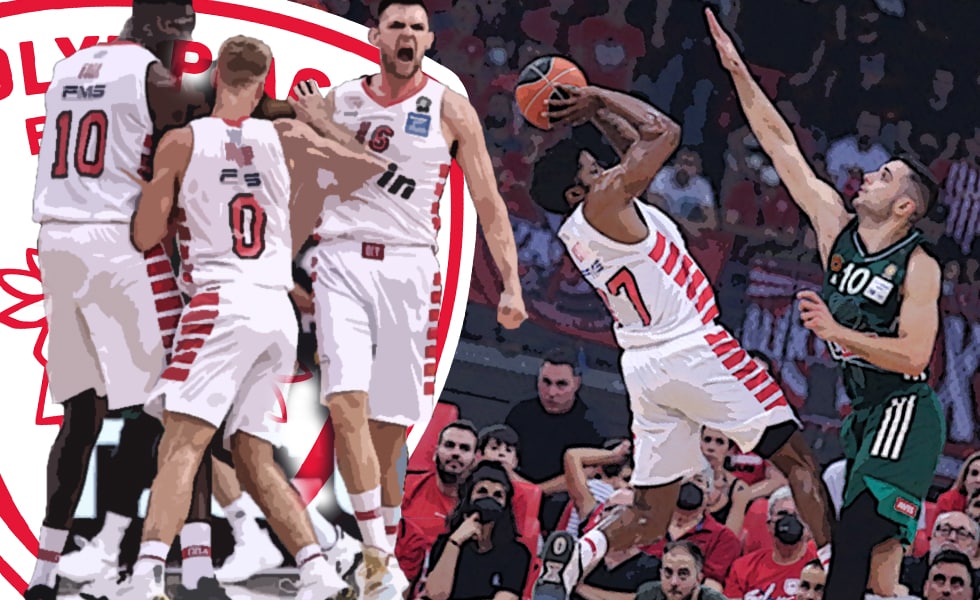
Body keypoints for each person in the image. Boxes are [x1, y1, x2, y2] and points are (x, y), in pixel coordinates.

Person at [527, 59, 834, 600]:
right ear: (578, 191)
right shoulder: (605, 200)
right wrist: (598, 94)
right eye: (593, 169)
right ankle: (840, 574)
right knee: (798, 460)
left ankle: (574, 559)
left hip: (646, 367)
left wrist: (596, 114)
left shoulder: (593, 218)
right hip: (694, 347)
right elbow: (661, 133)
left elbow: (631, 147)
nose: (606, 168)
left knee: (650, 515)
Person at [115, 34, 389, 600]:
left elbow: (144, 236)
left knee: (182, 443)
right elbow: (370, 168)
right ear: (266, 81)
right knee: (251, 452)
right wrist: (319, 127)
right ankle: (316, 572)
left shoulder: (183, 141)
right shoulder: (287, 136)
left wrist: (159, 202)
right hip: (276, 309)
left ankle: (144, 577)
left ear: (216, 74)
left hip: (220, 302)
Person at [287, 0, 527, 592]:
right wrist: (278, 261)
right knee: (344, 404)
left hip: (409, 267)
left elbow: (489, 202)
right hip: (341, 258)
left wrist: (512, 283)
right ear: (376, 36)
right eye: (397, 25)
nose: (407, 35)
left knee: (388, 427)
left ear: (428, 40)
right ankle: (376, 552)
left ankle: (381, 554)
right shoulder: (341, 99)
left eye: (418, 27)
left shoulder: (449, 107)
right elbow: (311, 187)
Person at [707, 8, 946, 598]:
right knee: (881, 578)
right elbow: (781, 147)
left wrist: (837, 330)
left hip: (904, 410)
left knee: (854, 534)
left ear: (905, 207)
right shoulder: (836, 231)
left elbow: (915, 355)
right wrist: (738, 72)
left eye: (885, 176)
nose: (869, 176)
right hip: (864, 415)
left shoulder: (919, 265)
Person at [24, 1, 215, 597]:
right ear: (155, 25)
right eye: (181, 32)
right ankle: (185, 567)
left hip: (56, 243)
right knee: (178, 407)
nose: (184, 45)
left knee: (81, 413)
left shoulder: (67, 68)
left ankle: (45, 572)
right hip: (115, 242)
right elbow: (212, 106)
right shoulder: (151, 76)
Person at [421, 461, 532, 600]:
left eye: (498, 495)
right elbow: (436, 595)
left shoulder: (516, 554)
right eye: (482, 491)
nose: (489, 498)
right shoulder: (445, 544)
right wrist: (454, 542)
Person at [634, 541, 728, 600]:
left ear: (698, 579)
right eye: (668, 573)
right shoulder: (646, 594)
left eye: (683, 574)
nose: (674, 582)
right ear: (661, 574)